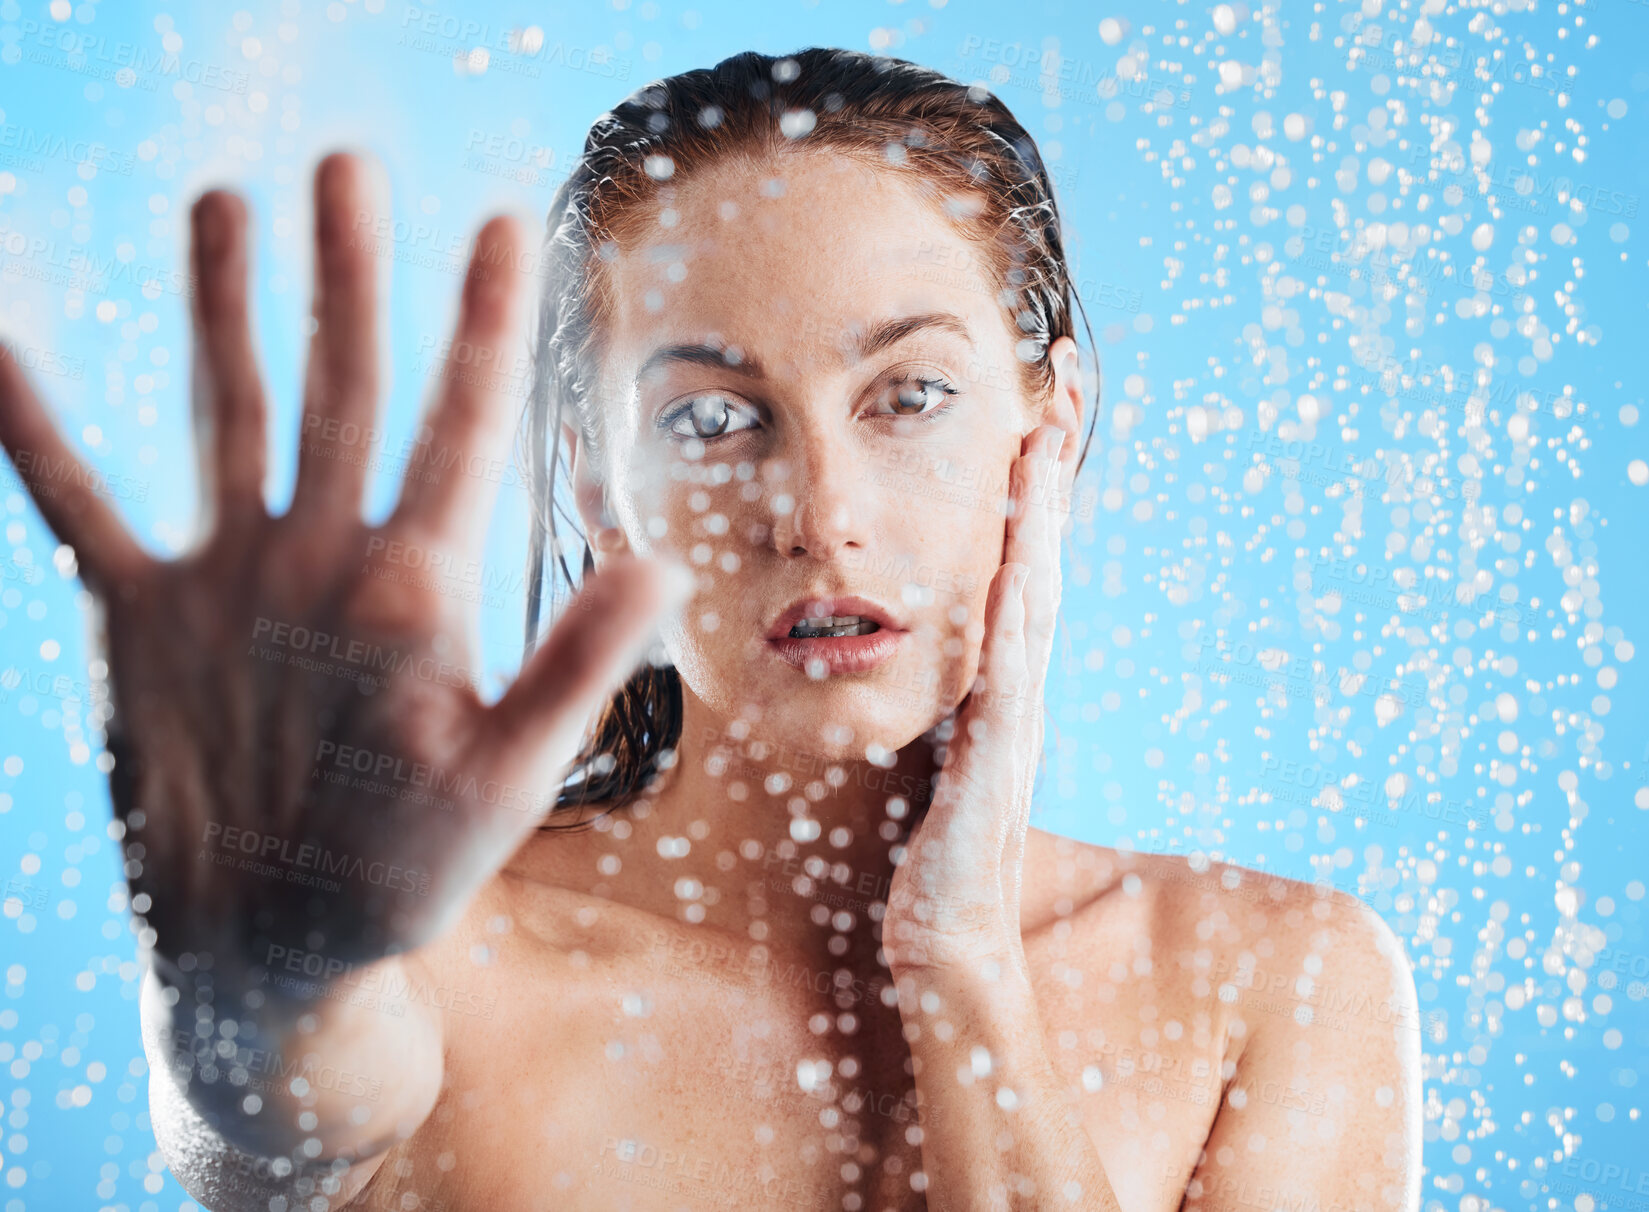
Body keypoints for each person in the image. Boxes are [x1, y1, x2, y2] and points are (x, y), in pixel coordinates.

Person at [0, 47, 1420, 1212]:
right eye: (711, 418)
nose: (817, 513)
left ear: (1047, 428)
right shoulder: (446, 966)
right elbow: (267, 1124)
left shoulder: (1270, 984)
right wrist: (260, 974)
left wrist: (964, 958)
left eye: (907, 395)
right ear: (595, 487)